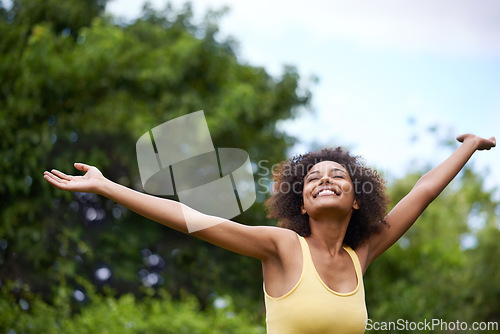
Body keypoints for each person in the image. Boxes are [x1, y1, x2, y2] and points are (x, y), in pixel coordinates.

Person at [43, 133, 495, 333]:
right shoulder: (282, 247)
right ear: (301, 204)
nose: (324, 180)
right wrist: (107, 187)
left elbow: (422, 192)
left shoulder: (362, 254)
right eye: (314, 179)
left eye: (337, 176)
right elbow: (191, 218)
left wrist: (470, 148)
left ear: (358, 199)